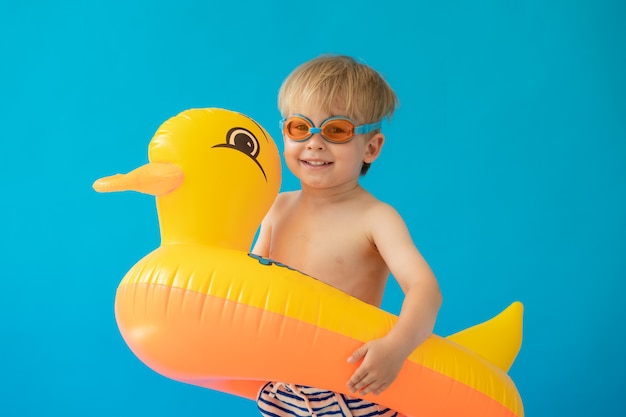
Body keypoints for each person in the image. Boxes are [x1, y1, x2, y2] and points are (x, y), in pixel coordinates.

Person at [252, 54, 442, 417]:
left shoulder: (376, 219)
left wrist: (396, 348)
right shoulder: (276, 208)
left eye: (336, 130)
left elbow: (425, 290)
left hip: (356, 388)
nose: (314, 143)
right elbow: (251, 287)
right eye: (299, 128)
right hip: (284, 388)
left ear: (371, 147)